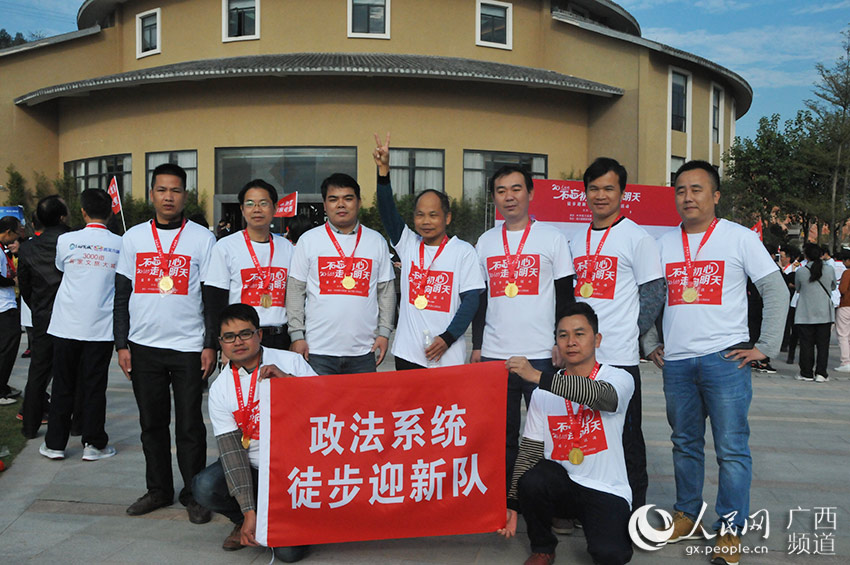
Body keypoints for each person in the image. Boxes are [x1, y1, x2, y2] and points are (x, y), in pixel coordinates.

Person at [643, 160, 787, 565]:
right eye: (681, 190)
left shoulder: (739, 238)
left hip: (725, 361)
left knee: (731, 449)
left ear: (716, 195)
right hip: (677, 364)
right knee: (684, 444)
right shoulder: (662, 244)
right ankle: (687, 514)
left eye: (697, 189)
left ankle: (729, 529)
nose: (688, 197)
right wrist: (650, 342)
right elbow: (650, 298)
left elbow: (775, 289)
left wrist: (765, 346)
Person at [114, 163, 217, 522]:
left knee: (190, 425)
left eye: (175, 190)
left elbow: (211, 297)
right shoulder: (133, 238)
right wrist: (121, 344)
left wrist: (210, 344)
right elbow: (121, 294)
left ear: (185, 195)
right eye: (162, 190)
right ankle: (158, 489)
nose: (168, 197)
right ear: (152, 194)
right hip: (143, 347)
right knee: (151, 424)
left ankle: (194, 493)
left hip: (188, 348)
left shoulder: (202, 238)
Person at [498, 302, 634, 565]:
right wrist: (512, 503)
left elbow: (604, 397)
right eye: (563, 335)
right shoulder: (542, 394)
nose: (571, 342)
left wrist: (537, 376)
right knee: (532, 479)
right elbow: (529, 451)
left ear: (597, 339)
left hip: (605, 488)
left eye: (579, 334)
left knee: (611, 555)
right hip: (562, 484)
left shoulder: (618, 378)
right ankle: (543, 548)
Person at [471, 165, 575, 493]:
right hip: (495, 355)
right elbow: (480, 300)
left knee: (547, 434)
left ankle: (548, 502)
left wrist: (561, 342)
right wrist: (477, 345)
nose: (509, 197)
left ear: (530, 193)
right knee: (500, 436)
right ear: (493, 198)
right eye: (501, 191)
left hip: (541, 355)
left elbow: (565, 297)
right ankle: (505, 500)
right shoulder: (485, 242)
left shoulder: (552, 238)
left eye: (516, 189)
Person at [569, 157, 664, 509]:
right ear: (585, 193)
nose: (600, 195)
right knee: (583, 434)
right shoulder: (576, 240)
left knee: (627, 437)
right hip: (579, 360)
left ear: (622, 192)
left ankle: (634, 510)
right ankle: (585, 507)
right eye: (593, 188)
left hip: (618, 359)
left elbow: (653, 293)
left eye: (609, 188)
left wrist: (630, 334)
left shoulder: (637, 238)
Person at [192, 303, 315, 562]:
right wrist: (247, 511)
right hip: (254, 467)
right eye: (229, 337)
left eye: (245, 333)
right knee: (205, 486)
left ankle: (293, 517)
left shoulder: (290, 361)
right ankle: (246, 521)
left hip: (295, 470)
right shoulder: (221, 388)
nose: (238, 342)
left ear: (259, 334)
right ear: (221, 343)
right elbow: (232, 452)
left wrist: (288, 383)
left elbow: (327, 404)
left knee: (288, 554)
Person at [372, 133, 484, 369]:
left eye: (433, 215)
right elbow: (387, 211)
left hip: (446, 356)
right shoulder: (408, 244)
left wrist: (447, 338)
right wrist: (383, 172)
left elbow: (471, 301)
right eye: (420, 215)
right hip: (408, 354)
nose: (426, 221)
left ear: (447, 218)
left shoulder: (463, 252)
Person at [36, 189, 122, 461]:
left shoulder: (67, 240)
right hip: (100, 326)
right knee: (94, 386)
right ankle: (94, 444)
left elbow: (61, 268)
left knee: (63, 384)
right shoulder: (120, 243)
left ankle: (55, 444)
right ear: (110, 212)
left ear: (83, 212)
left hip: (67, 324)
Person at [286, 173, 395, 375]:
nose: (341, 205)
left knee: (363, 398)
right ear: (325, 205)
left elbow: (386, 292)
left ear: (359, 202)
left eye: (348, 198)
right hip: (317, 351)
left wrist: (384, 333)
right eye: (333, 199)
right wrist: (297, 336)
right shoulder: (309, 241)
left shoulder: (376, 241)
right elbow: (295, 290)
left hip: (364, 351)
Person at [206, 179, 295, 350]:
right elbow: (215, 302)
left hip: (280, 338)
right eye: (250, 204)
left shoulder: (287, 248)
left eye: (263, 203)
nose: (257, 209)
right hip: (241, 340)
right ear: (242, 209)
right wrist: (219, 345)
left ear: (275, 208)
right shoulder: (225, 247)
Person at [18, 195, 71, 438]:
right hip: (71, 315)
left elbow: (25, 287)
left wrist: (38, 307)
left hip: (43, 316)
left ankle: (29, 426)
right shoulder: (74, 241)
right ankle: (76, 423)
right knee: (74, 373)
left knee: (38, 373)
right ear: (63, 216)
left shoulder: (28, 247)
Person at [794, 243, 835, 383]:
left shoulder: (801, 271)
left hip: (805, 313)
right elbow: (833, 286)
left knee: (806, 344)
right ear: (821, 254)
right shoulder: (829, 270)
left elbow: (798, 288)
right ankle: (821, 373)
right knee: (823, 345)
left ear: (806, 256)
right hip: (825, 313)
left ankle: (806, 373)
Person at [0, 216, 24, 404]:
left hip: (6, 303)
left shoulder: (2, 248)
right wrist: (12, 281)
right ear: (8, 232)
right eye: (16, 233)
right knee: (7, 349)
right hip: (3, 306)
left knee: (7, 347)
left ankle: (3, 385)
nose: (17, 238)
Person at [835, 251, 850, 373]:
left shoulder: (847, 273)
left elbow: (843, 289)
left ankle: (846, 361)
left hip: (846, 305)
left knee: (843, 334)